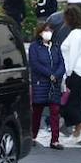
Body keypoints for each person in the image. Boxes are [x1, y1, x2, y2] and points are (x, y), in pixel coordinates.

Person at [28, 22, 66, 150]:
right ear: (40, 33)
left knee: (55, 111)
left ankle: (55, 140)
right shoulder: (34, 47)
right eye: (46, 31)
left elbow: (62, 63)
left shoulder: (55, 46)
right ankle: (33, 136)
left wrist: (57, 75)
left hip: (54, 84)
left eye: (50, 31)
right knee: (37, 111)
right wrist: (49, 74)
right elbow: (35, 64)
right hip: (40, 83)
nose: (48, 33)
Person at [59, 6, 81, 140]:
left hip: (74, 72)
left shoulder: (75, 34)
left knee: (68, 103)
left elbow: (72, 55)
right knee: (75, 102)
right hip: (79, 72)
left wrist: (67, 73)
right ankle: (77, 131)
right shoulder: (80, 33)